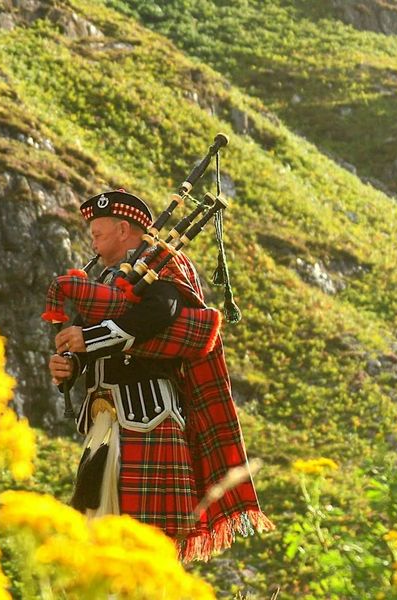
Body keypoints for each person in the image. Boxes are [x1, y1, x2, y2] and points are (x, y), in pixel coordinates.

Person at [49, 189, 272, 560]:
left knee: (145, 542)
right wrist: (71, 366)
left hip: (149, 418)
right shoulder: (102, 280)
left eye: (98, 231)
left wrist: (90, 338)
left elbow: (161, 314)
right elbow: (87, 346)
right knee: (98, 538)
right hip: (104, 423)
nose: (92, 236)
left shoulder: (165, 264)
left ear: (124, 229)